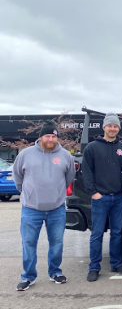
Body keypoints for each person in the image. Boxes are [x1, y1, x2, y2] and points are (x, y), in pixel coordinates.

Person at [13, 121, 76, 291]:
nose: (50, 139)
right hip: (31, 209)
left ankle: (55, 271)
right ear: (41, 137)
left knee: (56, 243)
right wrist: (28, 192)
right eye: (47, 136)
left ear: (57, 138)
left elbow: (70, 176)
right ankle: (28, 276)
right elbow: (18, 177)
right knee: (29, 243)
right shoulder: (25, 155)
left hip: (56, 209)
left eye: (54, 136)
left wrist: (56, 192)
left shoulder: (65, 155)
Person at [82, 113, 122, 282]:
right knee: (97, 233)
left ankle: (116, 263)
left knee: (117, 233)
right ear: (104, 127)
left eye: (115, 126)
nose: (112, 128)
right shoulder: (92, 147)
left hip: (119, 198)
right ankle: (94, 267)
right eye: (110, 126)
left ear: (118, 128)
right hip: (100, 198)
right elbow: (86, 172)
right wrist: (93, 192)